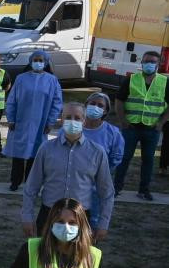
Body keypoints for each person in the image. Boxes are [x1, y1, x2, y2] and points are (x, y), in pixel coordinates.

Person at [21, 102, 114, 242]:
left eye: (77, 118)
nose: (72, 121)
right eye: (68, 117)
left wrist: (103, 223)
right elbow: (31, 186)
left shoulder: (97, 152)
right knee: (45, 260)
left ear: (84, 120)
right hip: (49, 214)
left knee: (78, 262)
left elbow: (106, 192)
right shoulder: (46, 149)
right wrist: (27, 216)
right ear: (62, 120)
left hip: (80, 217)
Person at [4, 50, 62, 191]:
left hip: (40, 123)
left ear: (46, 62)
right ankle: (15, 181)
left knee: (35, 155)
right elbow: (12, 99)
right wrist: (10, 118)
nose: (38, 63)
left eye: (40, 60)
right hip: (20, 121)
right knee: (18, 153)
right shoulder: (21, 78)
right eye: (35, 60)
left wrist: (50, 121)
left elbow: (56, 102)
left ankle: (31, 182)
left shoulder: (52, 80)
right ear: (30, 61)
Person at [114, 50, 168, 200]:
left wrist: (161, 123)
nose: (149, 64)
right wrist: (123, 120)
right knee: (124, 158)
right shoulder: (131, 79)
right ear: (141, 63)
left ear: (158, 65)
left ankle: (144, 190)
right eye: (147, 61)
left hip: (152, 129)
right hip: (131, 128)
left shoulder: (164, 82)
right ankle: (116, 188)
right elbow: (119, 100)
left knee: (148, 160)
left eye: (153, 62)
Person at [82, 92, 124, 229]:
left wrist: (101, 173)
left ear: (105, 111)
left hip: (96, 188)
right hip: (73, 185)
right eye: (92, 104)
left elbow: (116, 157)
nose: (95, 107)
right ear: (86, 105)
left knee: (92, 226)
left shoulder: (113, 133)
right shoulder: (75, 127)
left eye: (100, 105)